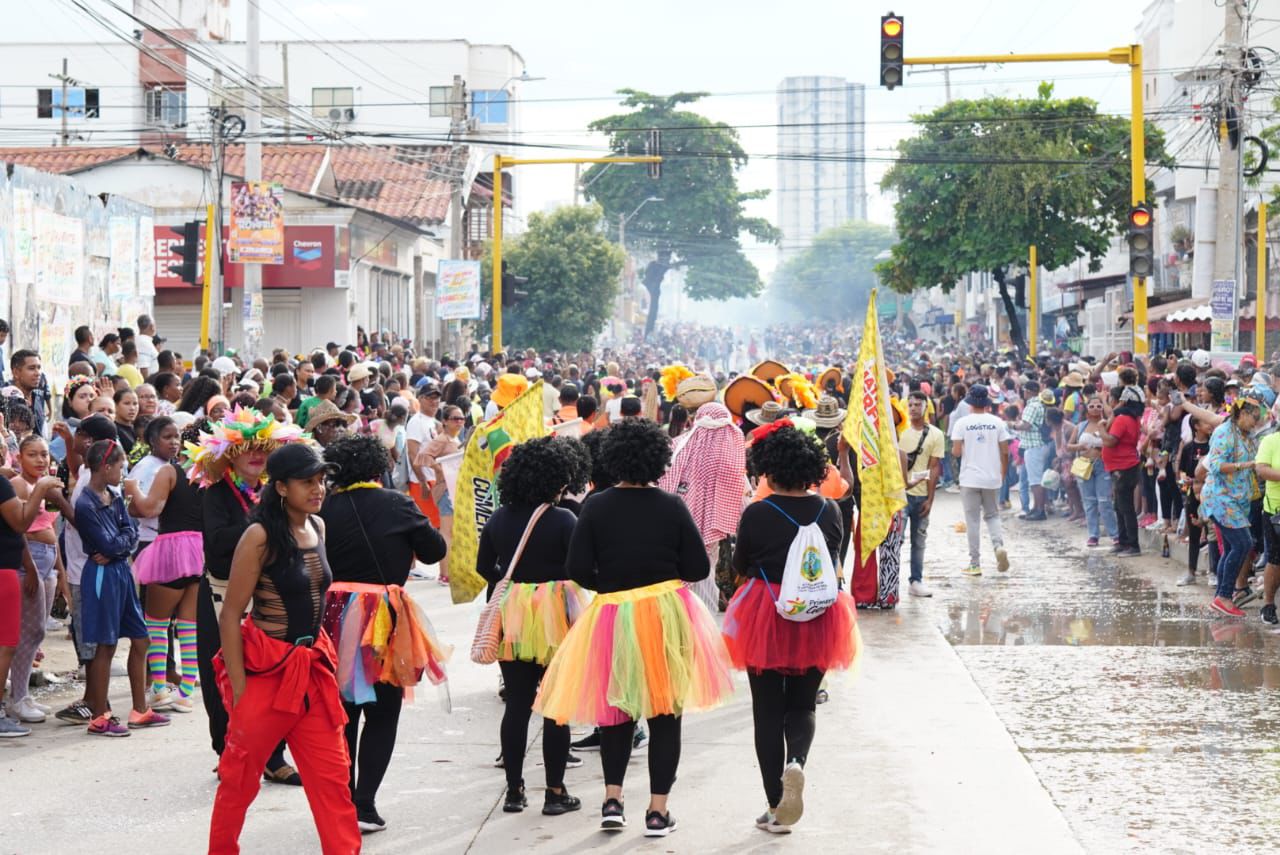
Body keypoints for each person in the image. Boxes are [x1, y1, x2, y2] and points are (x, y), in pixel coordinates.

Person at [534, 418, 734, 838]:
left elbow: (576, 568)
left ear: (613, 458)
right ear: (658, 460)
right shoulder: (672, 507)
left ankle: (612, 800)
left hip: (611, 615)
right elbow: (698, 568)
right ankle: (658, 811)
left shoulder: (597, 506)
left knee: (617, 713)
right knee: (666, 715)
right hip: (666, 612)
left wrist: (609, 586)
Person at [209, 443, 361, 855]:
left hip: (311, 671)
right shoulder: (258, 535)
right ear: (280, 487)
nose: (318, 489)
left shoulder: (319, 527)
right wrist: (239, 692)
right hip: (265, 673)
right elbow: (231, 614)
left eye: (321, 480)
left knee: (333, 780)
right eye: (307, 482)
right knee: (238, 780)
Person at [722, 421, 860, 833]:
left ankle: (774, 807)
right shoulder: (829, 508)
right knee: (803, 705)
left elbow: (740, 566)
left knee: (766, 711)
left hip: (767, 611)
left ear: (768, 467)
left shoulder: (758, 513)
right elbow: (833, 556)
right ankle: (796, 761)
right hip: (820, 612)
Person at [319, 435, 449, 833]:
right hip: (385, 619)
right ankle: (365, 804)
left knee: (340, 715)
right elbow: (434, 552)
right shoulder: (397, 504)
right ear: (378, 468)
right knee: (383, 713)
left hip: (333, 614)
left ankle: (342, 801)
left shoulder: (323, 507)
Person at [191, 408, 308, 783]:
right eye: (248, 449)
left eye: (264, 448)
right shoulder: (217, 493)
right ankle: (227, 750)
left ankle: (272, 756)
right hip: (221, 594)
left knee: (267, 672)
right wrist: (259, 528)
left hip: (267, 594)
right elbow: (217, 543)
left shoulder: (277, 491)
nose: (256, 456)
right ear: (230, 455)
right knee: (218, 673)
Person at [475, 437, 586, 817]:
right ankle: (555, 793)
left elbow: (482, 568)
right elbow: (579, 567)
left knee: (518, 703)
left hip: (513, 615)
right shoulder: (563, 519)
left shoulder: (499, 517)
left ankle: (514, 791)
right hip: (556, 613)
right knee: (556, 705)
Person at [75, 439, 170, 735]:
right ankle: (100, 716)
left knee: (141, 639)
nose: (123, 471)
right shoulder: (84, 503)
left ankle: (140, 710)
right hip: (102, 577)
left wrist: (119, 546)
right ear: (106, 467)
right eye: (120, 465)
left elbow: (129, 533)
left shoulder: (114, 495)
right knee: (107, 645)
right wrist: (120, 544)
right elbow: (108, 542)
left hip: (120, 572)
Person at [123, 417, 205, 713]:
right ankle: (186, 692)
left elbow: (148, 508)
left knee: (156, 623)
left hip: (170, 550)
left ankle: (159, 688)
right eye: (169, 437)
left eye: (177, 437)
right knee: (188, 625)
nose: (174, 442)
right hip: (199, 551)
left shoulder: (168, 471)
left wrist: (131, 489)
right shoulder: (208, 474)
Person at [5, 436, 68, 726]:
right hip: (28, 563)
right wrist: (29, 568)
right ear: (19, 457)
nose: (41, 460)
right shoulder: (18, 485)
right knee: (26, 633)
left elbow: (48, 526)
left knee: (36, 633)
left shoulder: (44, 484)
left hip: (47, 562)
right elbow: (19, 531)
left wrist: (59, 573)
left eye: (45, 454)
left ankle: (23, 694)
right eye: (33, 454)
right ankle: (17, 698)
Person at [1200, 396, 1263, 617]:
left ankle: (1220, 597)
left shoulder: (1246, 435)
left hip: (1236, 500)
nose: (1256, 422)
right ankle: (1225, 596)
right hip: (1221, 499)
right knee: (1243, 544)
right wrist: (1245, 465)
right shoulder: (1224, 433)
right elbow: (1216, 466)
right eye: (1254, 418)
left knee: (1230, 549)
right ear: (1242, 414)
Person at [948, 384, 1011, 576]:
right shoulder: (998, 422)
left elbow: (957, 452)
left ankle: (975, 564)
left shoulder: (962, 423)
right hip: (991, 477)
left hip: (969, 478)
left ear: (969, 403)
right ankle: (998, 546)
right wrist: (1002, 473)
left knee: (973, 520)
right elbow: (1005, 452)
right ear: (986, 403)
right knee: (992, 515)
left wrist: (960, 448)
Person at [900, 390, 944, 597]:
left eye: (918, 404)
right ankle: (889, 582)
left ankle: (916, 580)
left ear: (926, 407)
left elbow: (934, 467)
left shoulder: (936, 434)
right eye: (911, 405)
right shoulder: (899, 432)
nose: (914, 408)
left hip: (921, 496)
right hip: (900, 496)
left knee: (919, 541)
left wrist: (930, 499)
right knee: (896, 539)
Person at [419, 404, 465, 585]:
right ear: (444, 421)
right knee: (446, 532)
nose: (459, 422)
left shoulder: (453, 439)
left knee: (452, 532)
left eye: (462, 418)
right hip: (445, 490)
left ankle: (449, 571)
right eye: (455, 418)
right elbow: (422, 456)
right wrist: (439, 469)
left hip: (453, 490)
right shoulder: (442, 439)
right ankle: (445, 574)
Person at [1067, 395, 1119, 548]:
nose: (1095, 409)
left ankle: (1114, 534)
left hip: (1102, 465)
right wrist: (1080, 447)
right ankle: (1093, 535)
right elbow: (1070, 445)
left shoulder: (1107, 424)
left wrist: (1105, 400)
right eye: (1092, 406)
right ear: (1086, 408)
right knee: (1089, 502)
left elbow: (1112, 433)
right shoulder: (1081, 426)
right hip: (1084, 465)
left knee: (1105, 502)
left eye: (1098, 406)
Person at [1103, 385, 1145, 557]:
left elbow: (1111, 441)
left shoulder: (1123, 419)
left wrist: (1100, 429)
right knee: (1119, 506)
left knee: (1125, 507)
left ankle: (1132, 545)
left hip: (1123, 467)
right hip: (1122, 466)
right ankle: (1123, 541)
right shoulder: (1130, 418)